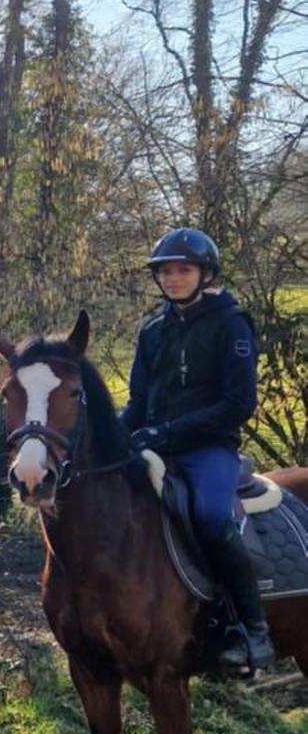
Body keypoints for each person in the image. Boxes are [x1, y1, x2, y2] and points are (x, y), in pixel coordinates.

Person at [121, 227, 272, 675]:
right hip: (156, 446)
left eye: (183, 270)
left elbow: (238, 405)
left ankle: (251, 628)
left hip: (209, 450)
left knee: (208, 515)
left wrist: (167, 431)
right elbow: (136, 403)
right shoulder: (152, 333)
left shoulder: (232, 326)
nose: (172, 279)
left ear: (205, 274)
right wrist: (106, 435)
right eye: (165, 271)